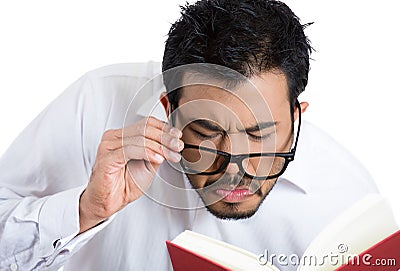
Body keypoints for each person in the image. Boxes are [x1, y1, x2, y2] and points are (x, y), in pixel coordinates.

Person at [0, 0, 378, 270]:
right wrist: (84, 211)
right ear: (169, 109)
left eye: (259, 134)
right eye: (208, 132)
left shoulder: (347, 202)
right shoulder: (97, 103)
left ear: (298, 118)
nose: (235, 168)